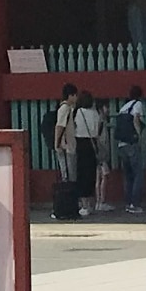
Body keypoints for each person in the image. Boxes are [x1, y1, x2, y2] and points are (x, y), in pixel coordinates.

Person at [53, 85, 99, 218]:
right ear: (71, 95)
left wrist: (56, 144)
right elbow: (97, 131)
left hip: (77, 144)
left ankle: (73, 205)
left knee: (75, 175)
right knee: (88, 175)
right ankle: (87, 204)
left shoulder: (76, 112)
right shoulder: (94, 113)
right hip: (89, 144)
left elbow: (61, 127)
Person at [114, 86, 146, 210]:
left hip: (121, 145)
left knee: (128, 175)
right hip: (132, 144)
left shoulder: (123, 107)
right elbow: (136, 119)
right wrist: (138, 136)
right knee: (138, 174)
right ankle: (135, 203)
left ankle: (128, 203)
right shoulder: (137, 105)